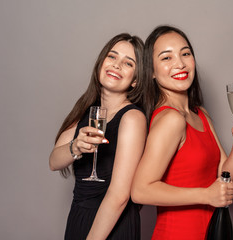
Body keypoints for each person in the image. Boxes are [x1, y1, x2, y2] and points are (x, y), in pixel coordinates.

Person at [131, 25, 233, 239]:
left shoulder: (200, 114)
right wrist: (206, 195)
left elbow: (225, 179)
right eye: (166, 58)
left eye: (185, 53)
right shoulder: (170, 119)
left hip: (209, 232)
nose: (180, 63)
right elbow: (140, 190)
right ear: (151, 71)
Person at [49, 33, 147, 240]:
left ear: (136, 80)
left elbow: (120, 196)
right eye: (112, 57)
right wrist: (75, 147)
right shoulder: (87, 110)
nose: (117, 65)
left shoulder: (132, 118)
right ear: (101, 63)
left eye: (128, 63)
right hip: (79, 216)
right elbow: (54, 161)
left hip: (110, 225)